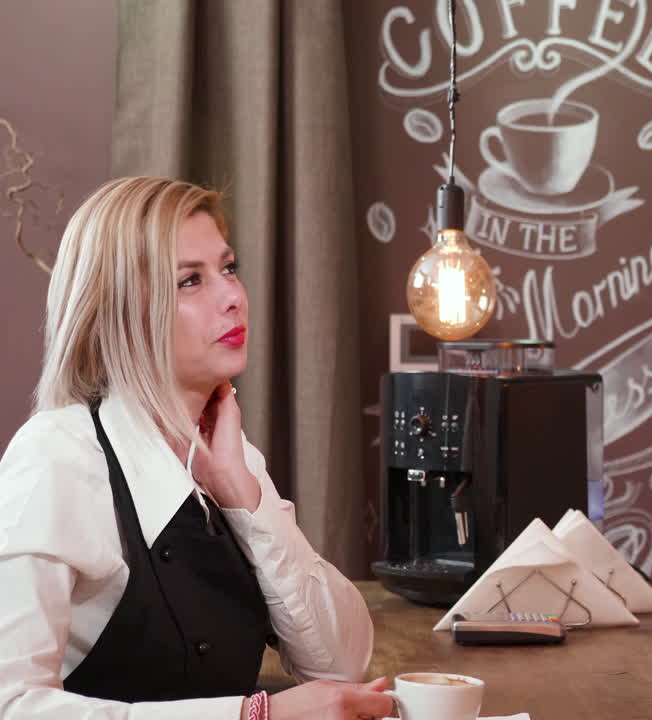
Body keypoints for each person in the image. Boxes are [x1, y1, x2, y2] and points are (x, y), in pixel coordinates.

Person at [0, 177, 395, 720]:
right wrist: (257, 716)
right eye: (190, 281)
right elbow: (13, 706)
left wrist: (240, 492)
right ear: (118, 311)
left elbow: (342, 665)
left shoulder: (230, 456)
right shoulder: (56, 457)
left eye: (228, 269)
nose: (233, 296)